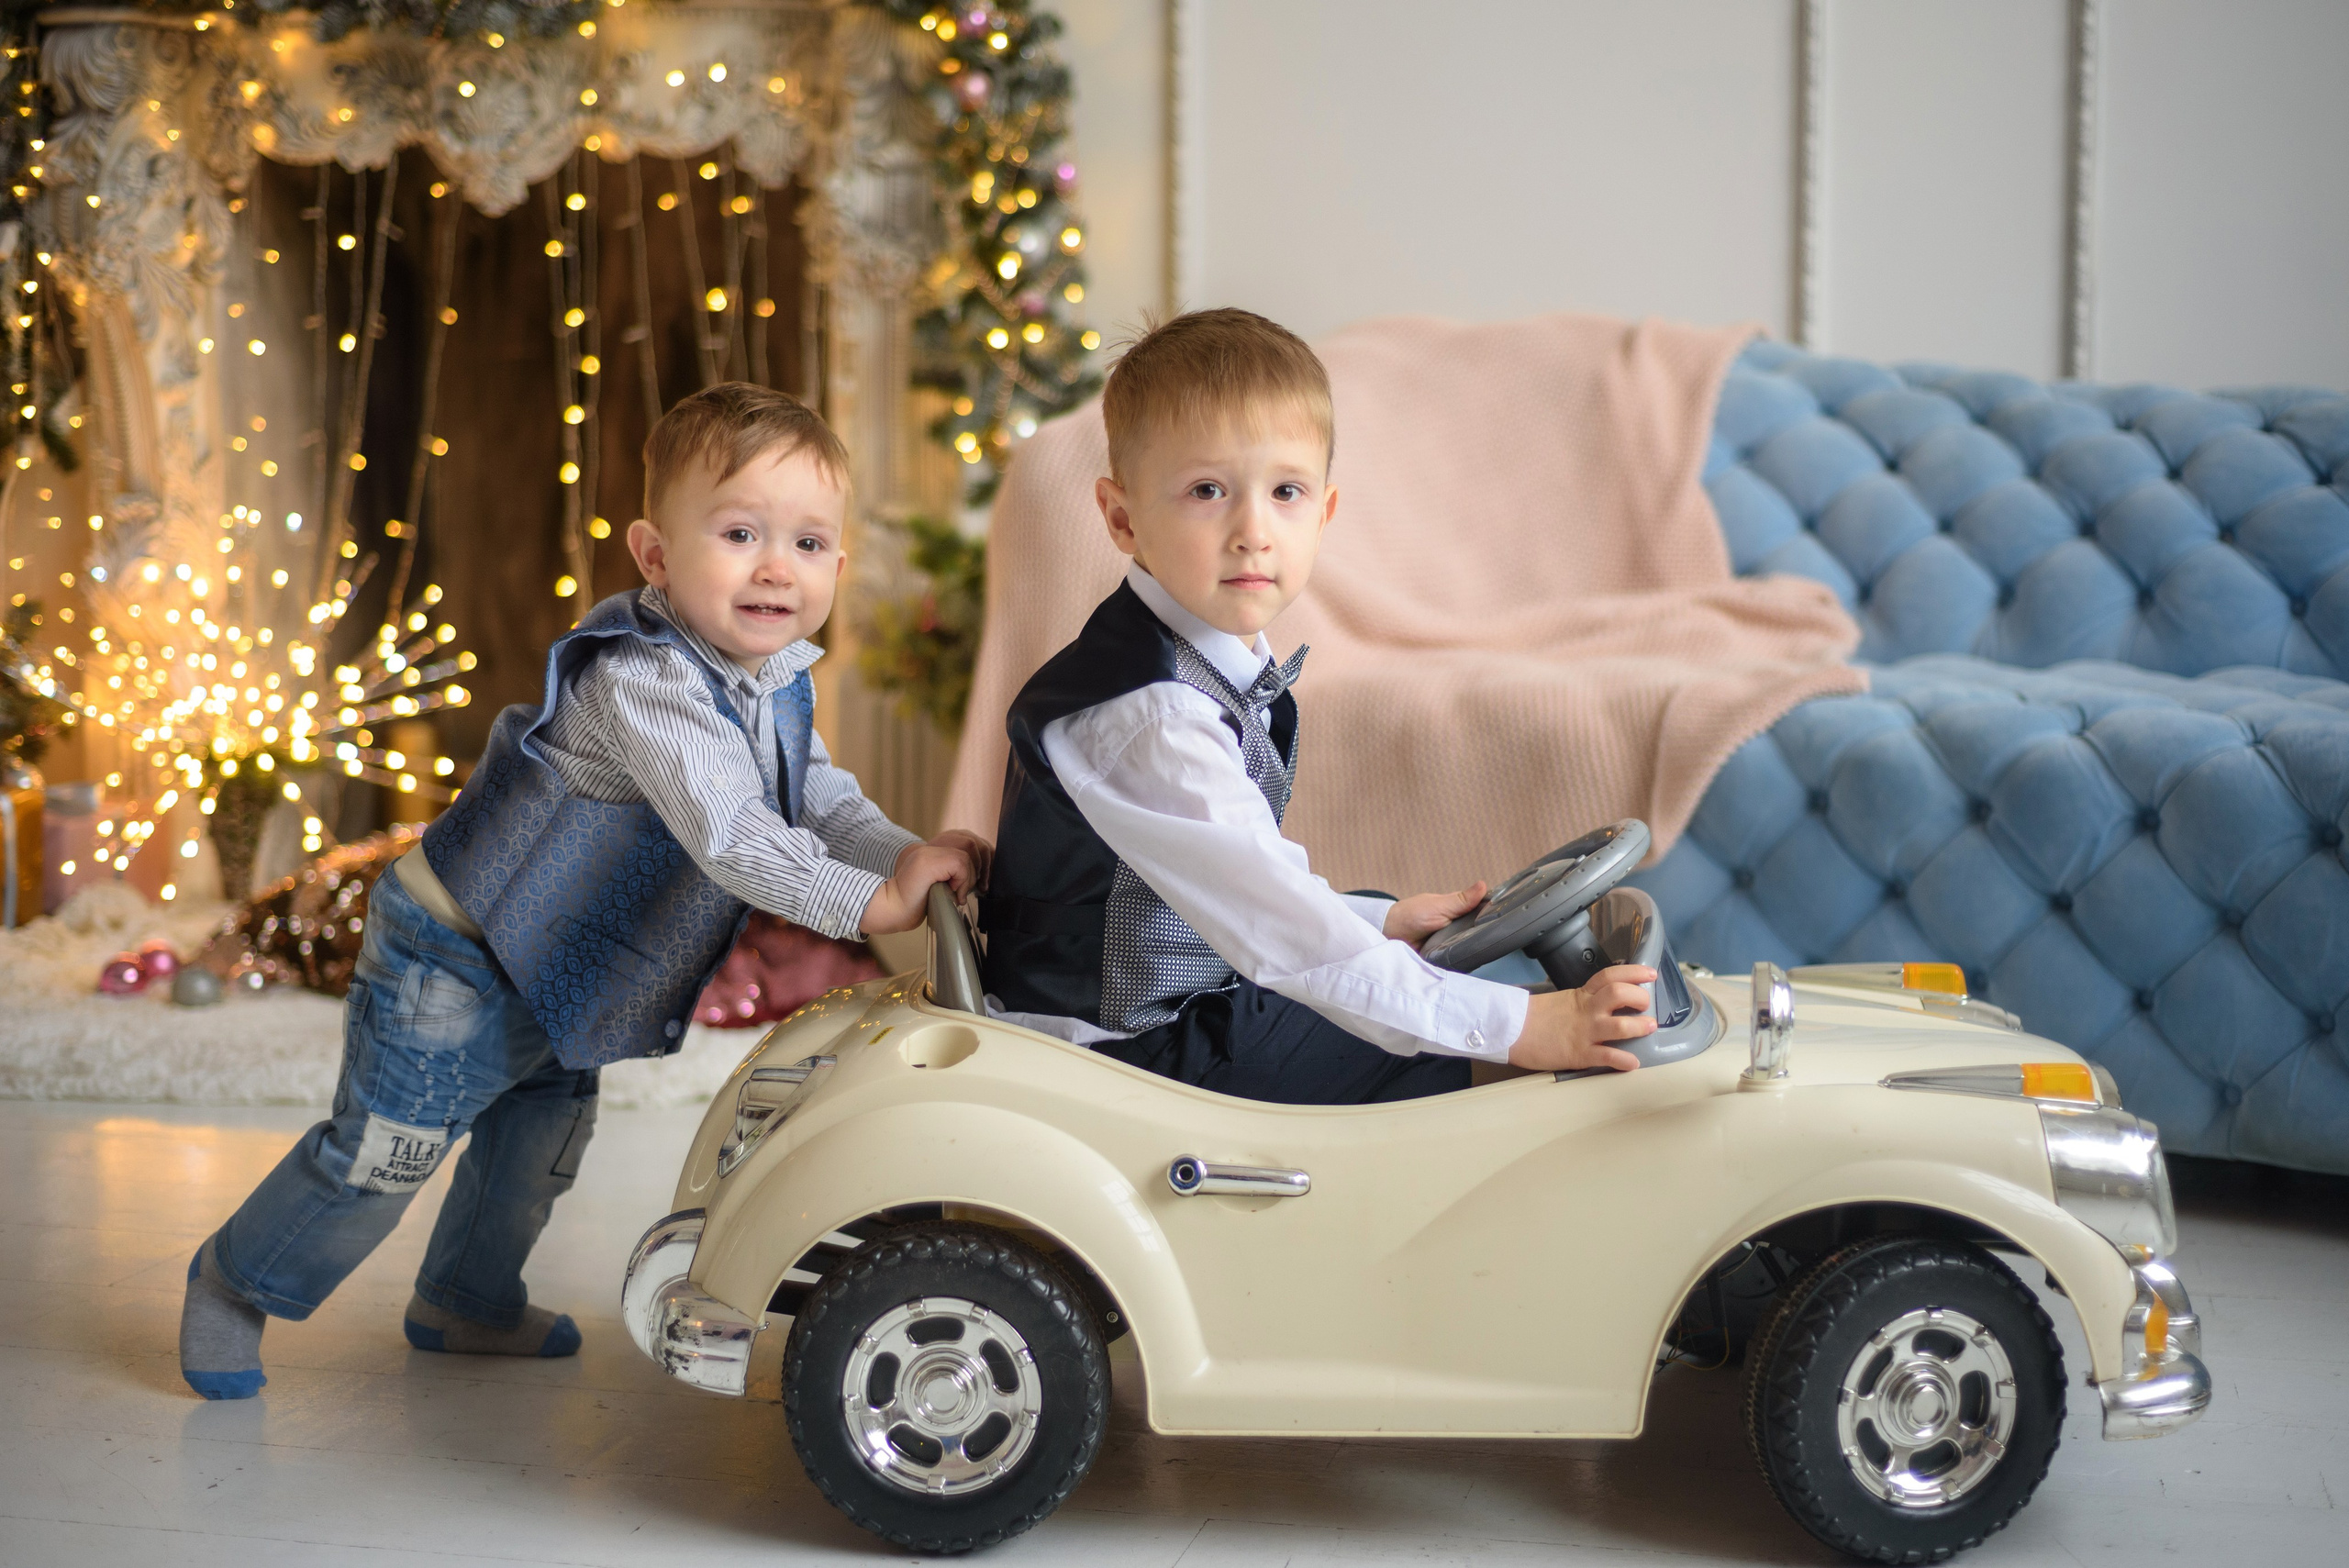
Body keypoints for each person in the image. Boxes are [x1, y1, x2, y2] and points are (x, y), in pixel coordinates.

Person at [179, 384, 986, 1399]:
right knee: (386, 1149)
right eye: (740, 532)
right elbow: (736, 835)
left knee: (537, 1146)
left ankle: (463, 1299)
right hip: (459, 948)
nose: (778, 566)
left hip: (562, 966)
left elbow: (814, 794)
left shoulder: (773, 674)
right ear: (654, 554)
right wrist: (869, 907)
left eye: (811, 542)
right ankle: (233, 1279)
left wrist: (907, 855)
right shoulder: (642, 679)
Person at [980, 308, 1654, 1104]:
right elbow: (1285, 938)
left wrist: (1384, 922)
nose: (1253, 532)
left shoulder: (1196, 667)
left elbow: (1247, 888)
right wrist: (1522, 1029)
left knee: (1424, 991)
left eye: (1286, 492)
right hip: (1127, 1048)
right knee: (1487, 1062)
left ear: (1323, 514)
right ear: (1123, 517)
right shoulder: (1152, 716)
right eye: (1207, 491)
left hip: (1172, 1010)